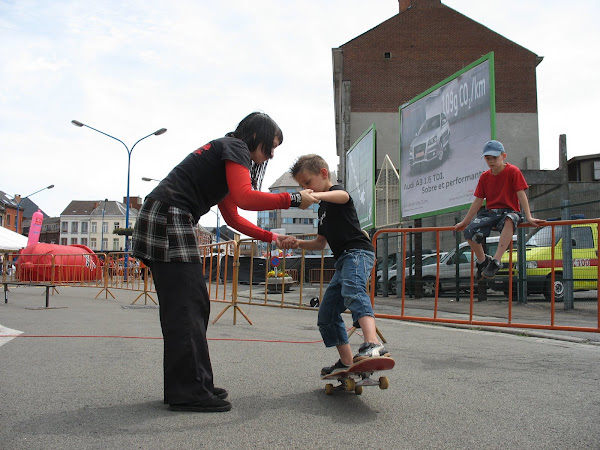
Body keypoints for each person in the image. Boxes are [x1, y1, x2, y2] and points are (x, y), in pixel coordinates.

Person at [131, 112, 317, 413]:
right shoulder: (236, 148)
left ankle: (193, 384)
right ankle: (189, 391)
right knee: (187, 306)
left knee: (192, 304)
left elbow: (232, 215)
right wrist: (293, 200)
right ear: (255, 135)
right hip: (169, 216)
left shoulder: (227, 154)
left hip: (167, 216)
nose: (270, 155)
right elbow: (245, 198)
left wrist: (271, 238)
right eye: (270, 147)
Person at [279, 154, 390, 377]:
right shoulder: (322, 211)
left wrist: (315, 195)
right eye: (302, 187)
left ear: (323, 174)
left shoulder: (338, 193)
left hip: (357, 253)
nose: (306, 190)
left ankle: (373, 344)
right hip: (342, 261)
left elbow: (343, 196)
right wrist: (297, 242)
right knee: (327, 313)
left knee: (353, 290)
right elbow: (321, 243)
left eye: (307, 183)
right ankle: (347, 362)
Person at [454, 140, 543, 279]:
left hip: (510, 211)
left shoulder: (513, 171)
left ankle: (496, 260)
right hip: (491, 212)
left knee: (509, 219)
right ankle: (483, 261)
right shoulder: (485, 177)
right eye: (488, 158)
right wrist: (465, 221)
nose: (491, 161)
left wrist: (529, 216)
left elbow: (521, 194)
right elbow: (478, 200)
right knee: (469, 231)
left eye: (494, 158)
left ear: (503, 156)